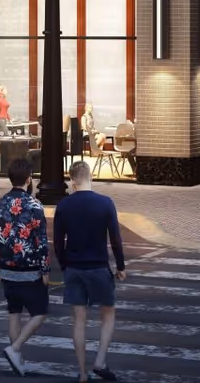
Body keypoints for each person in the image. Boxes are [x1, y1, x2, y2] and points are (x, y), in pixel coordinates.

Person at [54, 159, 126, 383]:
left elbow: (58, 243)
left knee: (79, 321)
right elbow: (115, 239)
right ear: (90, 177)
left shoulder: (63, 206)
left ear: (71, 180)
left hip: (74, 267)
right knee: (108, 313)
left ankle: (83, 374)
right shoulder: (105, 203)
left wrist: (65, 265)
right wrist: (120, 266)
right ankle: (100, 360)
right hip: (98, 267)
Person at [0, 157, 49, 377]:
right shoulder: (34, 205)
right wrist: (45, 270)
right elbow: (41, 242)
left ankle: (17, 357)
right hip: (29, 268)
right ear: (29, 179)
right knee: (40, 313)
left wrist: (0, 260)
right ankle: (15, 349)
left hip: (6, 268)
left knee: (14, 313)